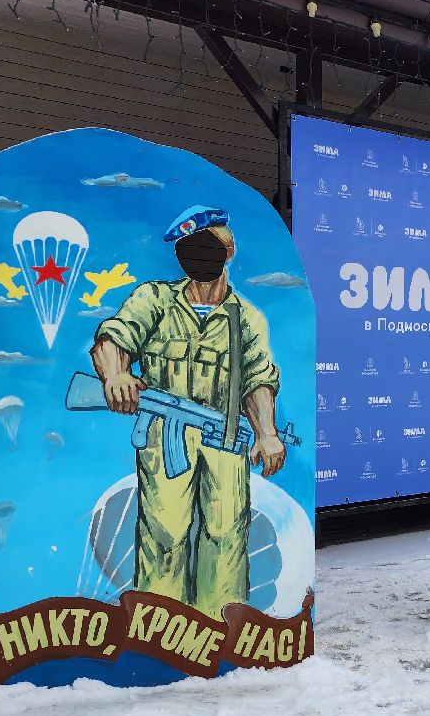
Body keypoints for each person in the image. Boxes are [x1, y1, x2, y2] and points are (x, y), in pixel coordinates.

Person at [91, 205, 286, 618]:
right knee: (164, 532)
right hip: (164, 435)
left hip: (226, 436)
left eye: (205, 247)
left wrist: (266, 432)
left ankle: (222, 624)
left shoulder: (246, 318)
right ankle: (159, 626)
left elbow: (258, 380)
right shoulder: (155, 300)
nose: (196, 256)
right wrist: (116, 374)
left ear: (227, 251)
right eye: (188, 248)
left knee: (226, 534)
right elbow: (114, 337)